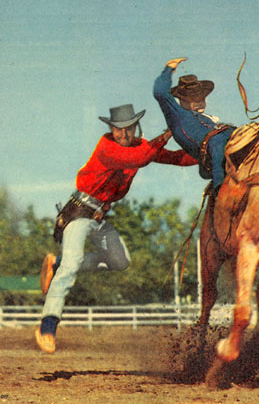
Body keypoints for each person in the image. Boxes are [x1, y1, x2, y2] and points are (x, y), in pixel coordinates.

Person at [36, 103, 197, 354]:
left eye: (128, 128)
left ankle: (56, 263)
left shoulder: (140, 148)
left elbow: (176, 158)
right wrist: (168, 133)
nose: (123, 134)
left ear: (136, 127)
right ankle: (47, 326)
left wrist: (208, 153)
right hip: (79, 213)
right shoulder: (107, 147)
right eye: (118, 129)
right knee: (72, 265)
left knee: (120, 261)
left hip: (99, 216)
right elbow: (139, 158)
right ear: (111, 129)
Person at [153, 57, 235, 192]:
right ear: (181, 100)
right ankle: (218, 188)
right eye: (191, 99)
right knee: (218, 143)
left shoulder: (208, 118)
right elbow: (160, 92)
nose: (199, 101)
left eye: (201, 97)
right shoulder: (176, 114)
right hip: (214, 143)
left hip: (229, 134)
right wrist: (169, 68)